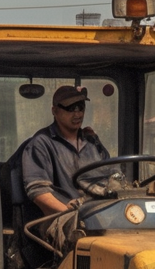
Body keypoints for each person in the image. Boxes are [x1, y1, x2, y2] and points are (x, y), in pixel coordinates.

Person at [19, 85, 111, 253]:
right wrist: (70, 211)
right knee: (91, 238)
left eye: (81, 108)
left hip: (97, 212)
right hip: (60, 217)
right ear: (55, 111)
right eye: (70, 108)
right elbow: (38, 192)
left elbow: (113, 176)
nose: (78, 114)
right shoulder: (41, 144)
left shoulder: (92, 142)